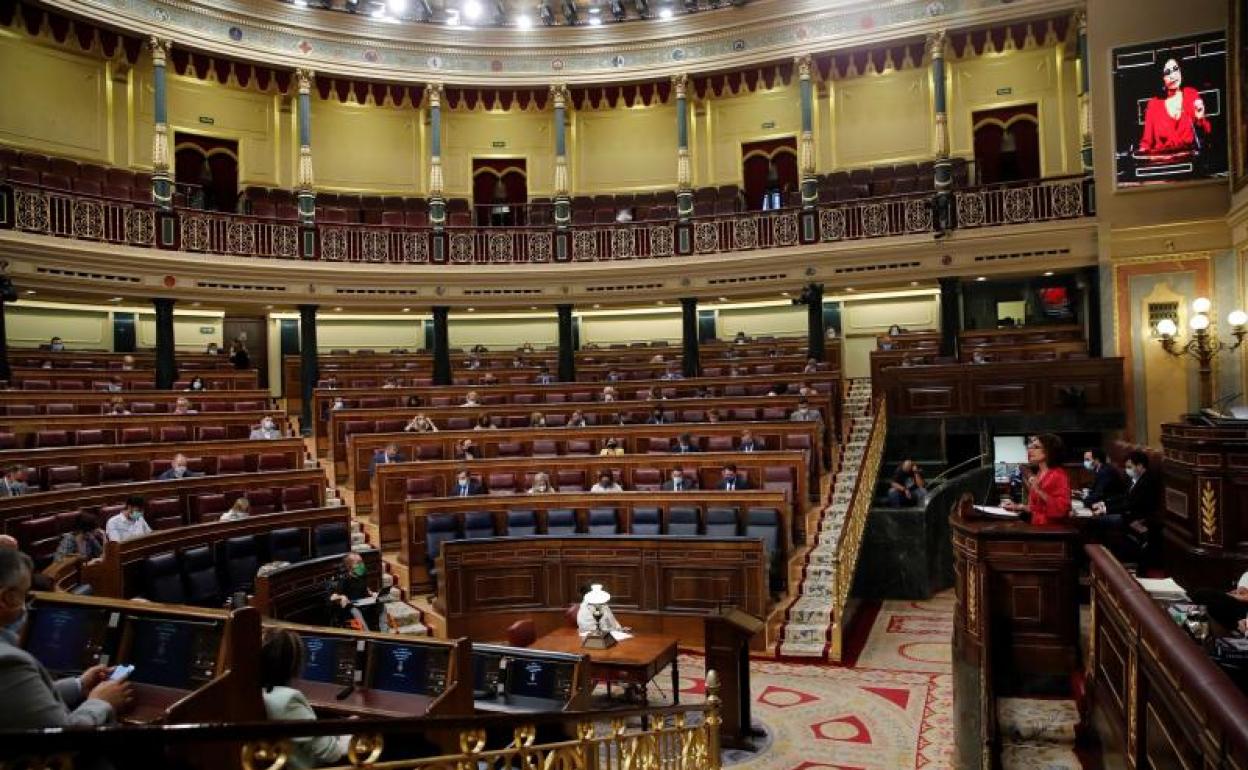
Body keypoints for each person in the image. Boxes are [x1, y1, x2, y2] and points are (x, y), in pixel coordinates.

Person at [0, 548, 133, 728]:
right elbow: (62, 735)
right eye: (25, 596)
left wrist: (79, 685)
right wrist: (101, 702)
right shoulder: (9, 663)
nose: (26, 607)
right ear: (7, 599)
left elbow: (20, 698)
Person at [258, 628, 350, 768]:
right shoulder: (287, 700)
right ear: (292, 665)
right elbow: (331, 754)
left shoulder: (253, 692)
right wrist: (354, 732)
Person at [1090, 450, 1162, 561]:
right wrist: (1104, 503)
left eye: (1129, 467)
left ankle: (1105, 559)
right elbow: (1124, 497)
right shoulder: (1134, 479)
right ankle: (1104, 557)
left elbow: (1130, 504)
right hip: (1127, 514)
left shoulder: (1147, 481)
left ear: (1140, 466)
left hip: (1136, 518)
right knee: (1097, 519)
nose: (1127, 470)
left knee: (1098, 520)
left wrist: (1106, 510)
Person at [1137, 57, 1211, 159]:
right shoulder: (1153, 104)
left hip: (1189, 160)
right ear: (1161, 78)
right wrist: (1141, 156)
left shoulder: (1191, 94)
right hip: (1163, 164)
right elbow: (1146, 143)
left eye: (1176, 69)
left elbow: (1206, 134)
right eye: (1167, 72)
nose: (1173, 75)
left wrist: (1200, 118)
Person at [1003, 434, 1072, 525]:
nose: (1030, 450)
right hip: (1036, 525)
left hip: (1049, 530)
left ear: (1049, 451)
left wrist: (1039, 491)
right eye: (1031, 446)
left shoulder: (1058, 475)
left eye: (1036, 447)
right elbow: (1037, 508)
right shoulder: (1040, 473)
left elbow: (1062, 510)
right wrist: (1018, 506)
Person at [328, 552, 386, 632]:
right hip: (350, 608)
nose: (361, 565)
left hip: (363, 604)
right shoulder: (345, 579)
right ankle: (367, 634)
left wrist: (373, 594)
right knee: (354, 610)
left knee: (381, 603)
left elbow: (365, 589)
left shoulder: (362, 576)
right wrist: (342, 597)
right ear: (350, 566)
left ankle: (384, 632)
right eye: (358, 563)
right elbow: (332, 597)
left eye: (361, 562)